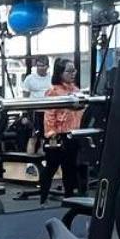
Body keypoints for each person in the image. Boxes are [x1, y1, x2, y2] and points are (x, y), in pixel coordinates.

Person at [38, 56, 84, 202]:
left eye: (74, 70)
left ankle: (69, 198)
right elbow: (49, 114)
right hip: (57, 135)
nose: (73, 73)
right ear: (60, 73)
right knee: (51, 167)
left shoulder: (76, 90)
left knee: (70, 168)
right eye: (69, 71)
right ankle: (43, 198)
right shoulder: (53, 91)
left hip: (73, 134)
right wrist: (52, 134)